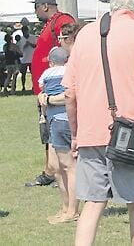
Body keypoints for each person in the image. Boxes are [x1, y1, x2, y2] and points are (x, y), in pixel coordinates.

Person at [62, 0, 134, 246]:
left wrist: (75, 134)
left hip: (90, 131)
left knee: (93, 203)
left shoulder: (84, 34)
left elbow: (70, 93)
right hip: (130, 131)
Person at [27, 0, 75, 188]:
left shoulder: (62, 20)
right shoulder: (51, 23)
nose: (36, 12)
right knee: (48, 130)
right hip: (47, 87)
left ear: (45, 6)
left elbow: (71, 43)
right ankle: (52, 169)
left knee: (57, 128)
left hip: (56, 87)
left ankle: (60, 170)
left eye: (36, 7)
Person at [38, 46, 77, 223]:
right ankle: (65, 207)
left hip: (63, 121)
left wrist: (47, 99)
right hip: (55, 122)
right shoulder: (67, 71)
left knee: (69, 166)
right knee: (57, 167)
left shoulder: (62, 73)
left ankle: (72, 211)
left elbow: (71, 94)